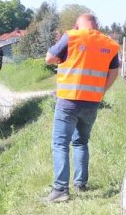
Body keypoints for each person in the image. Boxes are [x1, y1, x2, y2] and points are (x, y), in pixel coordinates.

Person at [44, 13, 119, 203]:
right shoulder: (109, 44)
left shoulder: (72, 36)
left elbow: (49, 58)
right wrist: (100, 92)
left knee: (60, 144)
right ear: (96, 25)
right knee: (81, 143)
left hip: (68, 102)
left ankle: (60, 189)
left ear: (78, 25)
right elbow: (114, 72)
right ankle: (80, 183)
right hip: (92, 103)